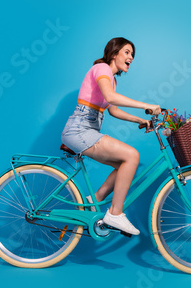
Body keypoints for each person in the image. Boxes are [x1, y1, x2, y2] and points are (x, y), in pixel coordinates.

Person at [61, 37, 161, 235]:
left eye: (132, 54)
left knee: (124, 165)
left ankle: (95, 200)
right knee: (132, 156)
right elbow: (110, 97)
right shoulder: (102, 69)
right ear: (114, 54)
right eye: (126, 52)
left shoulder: (111, 79)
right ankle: (115, 214)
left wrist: (139, 120)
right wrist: (146, 105)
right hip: (80, 129)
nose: (130, 57)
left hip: (87, 129)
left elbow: (112, 109)